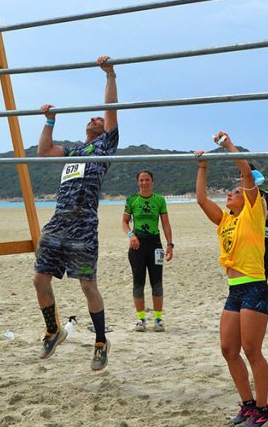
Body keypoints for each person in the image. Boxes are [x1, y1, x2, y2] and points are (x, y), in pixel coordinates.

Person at [32, 56, 118, 372]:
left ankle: (100, 341)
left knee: (86, 284)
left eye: (98, 119)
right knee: (40, 279)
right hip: (59, 218)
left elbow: (111, 109)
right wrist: (50, 121)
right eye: (90, 118)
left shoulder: (106, 145)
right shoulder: (73, 151)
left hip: (83, 221)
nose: (95, 119)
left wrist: (110, 75)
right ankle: (53, 330)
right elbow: (43, 152)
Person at [195, 132, 268, 427]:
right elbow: (202, 199)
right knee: (229, 350)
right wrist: (202, 167)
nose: (231, 194)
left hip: (255, 288)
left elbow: (245, 173)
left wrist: (228, 145)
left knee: (252, 351)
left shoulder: (254, 212)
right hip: (234, 291)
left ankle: (264, 408)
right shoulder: (226, 219)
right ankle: (248, 404)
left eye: (236, 191)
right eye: (230, 192)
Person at [122, 170, 174, 332]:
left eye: (147, 180)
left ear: (152, 181)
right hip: (137, 246)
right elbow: (124, 222)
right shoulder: (132, 200)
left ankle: (158, 319)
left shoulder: (159, 200)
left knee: (156, 282)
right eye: (141, 180)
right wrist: (131, 236)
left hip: (155, 245)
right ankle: (141, 319)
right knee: (138, 282)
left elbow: (165, 223)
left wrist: (170, 244)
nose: (144, 183)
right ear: (138, 182)